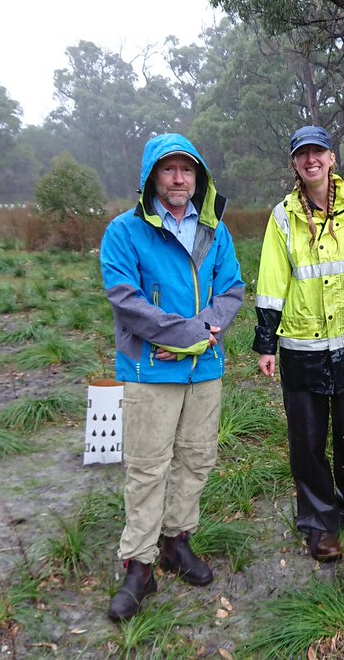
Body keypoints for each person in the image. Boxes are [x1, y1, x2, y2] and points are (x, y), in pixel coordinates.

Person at [100, 133, 244, 622]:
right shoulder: (124, 231)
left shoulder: (213, 231)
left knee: (197, 459)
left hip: (204, 370)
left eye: (188, 170)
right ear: (151, 178)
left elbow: (232, 288)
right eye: (169, 170)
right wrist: (190, 333)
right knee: (147, 468)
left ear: (199, 177)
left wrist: (203, 333)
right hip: (149, 371)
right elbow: (126, 300)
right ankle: (138, 566)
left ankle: (175, 541)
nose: (180, 179)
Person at [253, 125, 344, 562]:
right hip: (302, 348)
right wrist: (266, 344)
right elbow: (270, 283)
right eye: (302, 154)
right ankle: (320, 526)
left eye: (318, 152)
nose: (311, 160)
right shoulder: (281, 217)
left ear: (332, 158)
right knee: (308, 442)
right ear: (295, 164)